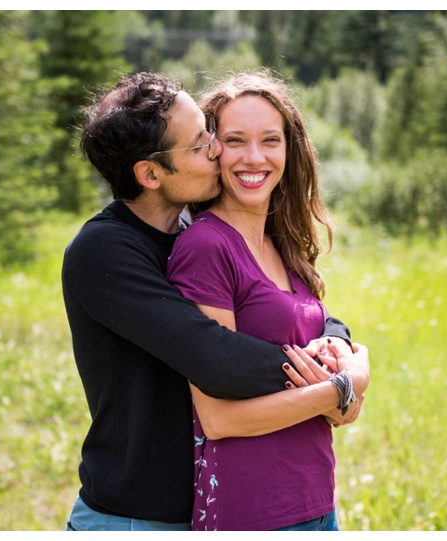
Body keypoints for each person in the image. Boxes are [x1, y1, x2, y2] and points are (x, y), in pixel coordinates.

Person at [62, 72, 370, 531]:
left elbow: (286, 313)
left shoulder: (187, 231)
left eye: (209, 133)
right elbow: (216, 357)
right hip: (132, 518)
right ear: (149, 174)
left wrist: (335, 338)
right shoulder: (104, 252)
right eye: (200, 142)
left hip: (202, 509)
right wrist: (336, 381)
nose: (215, 150)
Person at [166, 71, 367, 531]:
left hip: (315, 502)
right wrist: (342, 388)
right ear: (211, 148)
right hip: (250, 509)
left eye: (270, 140)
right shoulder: (207, 247)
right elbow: (217, 417)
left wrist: (347, 375)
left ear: (288, 149)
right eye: (235, 140)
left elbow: (327, 384)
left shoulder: (284, 244)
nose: (253, 157)